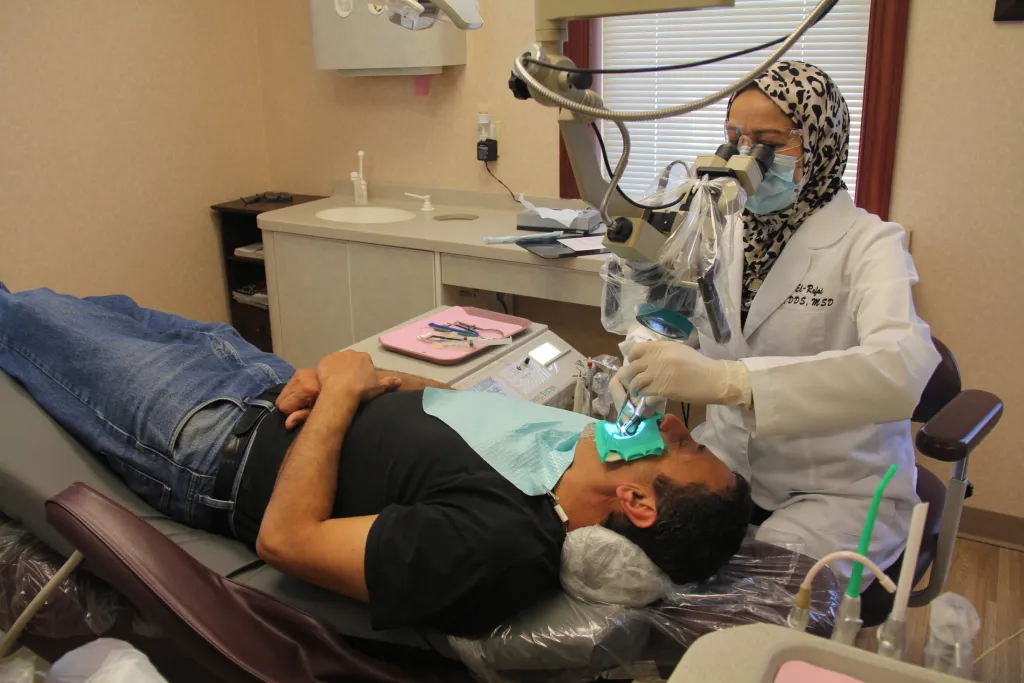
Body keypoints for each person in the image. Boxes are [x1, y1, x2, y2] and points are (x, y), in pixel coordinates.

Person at [0, 283, 753, 637]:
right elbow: (448, 410)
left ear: (640, 505)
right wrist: (366, 378)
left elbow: (286, 540)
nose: (672, 427)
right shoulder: (561, 448)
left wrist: (342, 386)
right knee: (64, 305)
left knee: (18, 319)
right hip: (251, 373)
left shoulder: (501, 544)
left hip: (205, 435)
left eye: (681, 448)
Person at [614, 61, 941, 583]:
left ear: (820, 143)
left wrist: (730, 381)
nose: (746, 159)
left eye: (768, 141)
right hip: (723, 465)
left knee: (749, 598)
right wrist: (645, 353)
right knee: (643, 566)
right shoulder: (719, 228)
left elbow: (902, 371)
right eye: (733, 139)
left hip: (837, 487)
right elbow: (676, 316)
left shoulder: (871, 244)